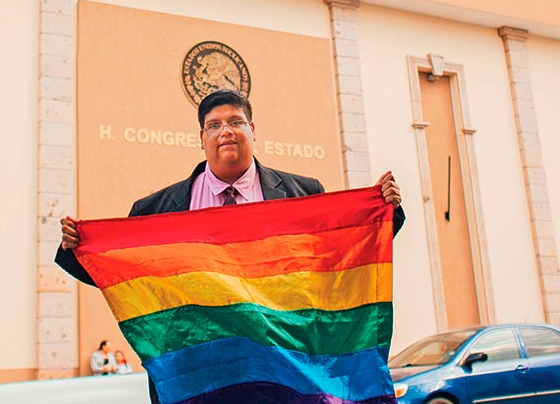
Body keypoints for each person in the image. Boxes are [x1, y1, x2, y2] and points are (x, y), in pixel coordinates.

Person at [56, 89, 406, 401]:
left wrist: (383, 213)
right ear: (202, 138)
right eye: (214, 125)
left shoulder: (302, 193)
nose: (226, 130)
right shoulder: (157, 210)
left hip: (286, 373)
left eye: (236, 122)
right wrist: (78, 250)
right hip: (199, 378)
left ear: (253, 131)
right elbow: (125, 276)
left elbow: (339, 255)